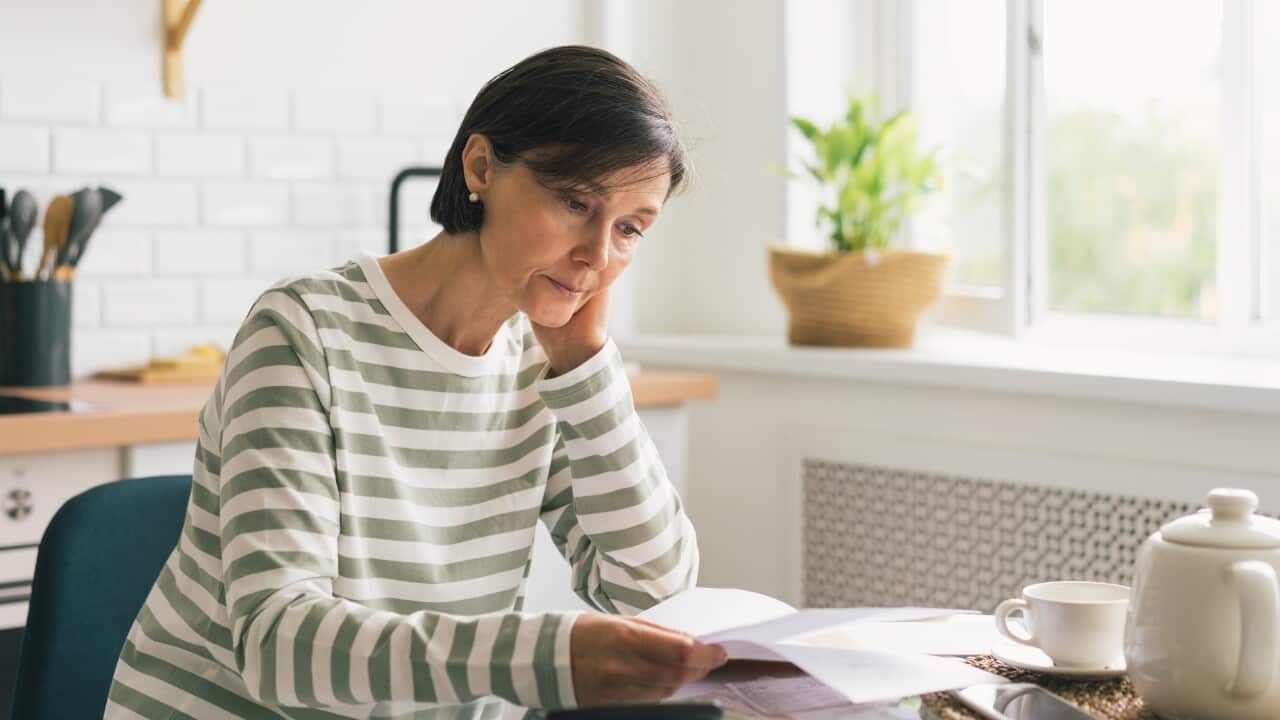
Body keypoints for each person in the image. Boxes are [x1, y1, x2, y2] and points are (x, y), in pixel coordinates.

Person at [106, 45, 726, 719]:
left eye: (631, 229)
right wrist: (540, 657)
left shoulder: (546, 367)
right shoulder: (303, 331)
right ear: (481, 166)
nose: (598, 257)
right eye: (576, 202)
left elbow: (657, 595)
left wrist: (585, 368)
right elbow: (276, 644)